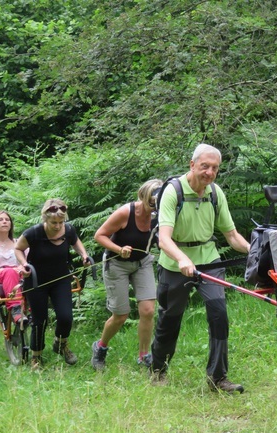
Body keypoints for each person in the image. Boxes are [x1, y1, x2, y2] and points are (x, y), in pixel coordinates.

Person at [150, 144, 251, 393]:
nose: (209, 172)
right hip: (175, 263)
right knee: (170, 318)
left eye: (214, 168)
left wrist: (258, 252)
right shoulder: (172, 191)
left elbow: (232, 236)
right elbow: (164, 239)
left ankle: (218, 377)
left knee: (219, 313)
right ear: (192, 164)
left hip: (208, 260)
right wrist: (183, 259)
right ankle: (158, 369)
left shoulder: (215, 193)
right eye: (204, 166)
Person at [91, 179, 163, 371]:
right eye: (151, 202)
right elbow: (99, 235)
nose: (154, 207)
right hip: (116, 264)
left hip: (143, 262)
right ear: (144, 197)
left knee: (148, 310)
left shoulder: (161, 216)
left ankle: (144, 355)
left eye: (158, 203)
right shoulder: (126, 212)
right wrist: (119, 248)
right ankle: (100, 347)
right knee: (121, 315)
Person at [14, 199, 91, 370]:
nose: (57, 226)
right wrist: (23, 264)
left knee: (65, 317)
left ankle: (60, 343)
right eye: (53, 222)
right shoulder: (33, 233)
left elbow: (76, 242)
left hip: (60, 279)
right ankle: (36, 357)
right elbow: (18, 249)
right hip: (36, 281)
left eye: (60, 222)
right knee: (40, 320)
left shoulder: (68, 230)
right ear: (45, 219)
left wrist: (84, 255)